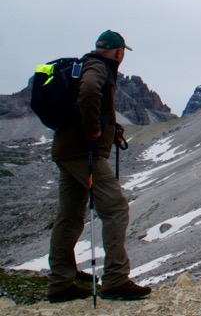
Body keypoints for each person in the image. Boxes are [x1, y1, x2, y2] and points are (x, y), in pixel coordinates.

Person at [46, 30, 151, 303]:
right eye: (122, 52)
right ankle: (115, 279)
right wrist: (93, 130)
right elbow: (90, 90)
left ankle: (60, 284)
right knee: (115, 208)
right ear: (118, 52)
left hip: (67, 150)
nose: (122, 56)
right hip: (84, 152)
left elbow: (93, 98)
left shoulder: (85, 63)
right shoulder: (98, 67)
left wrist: (109, 128)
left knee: (69, 215)